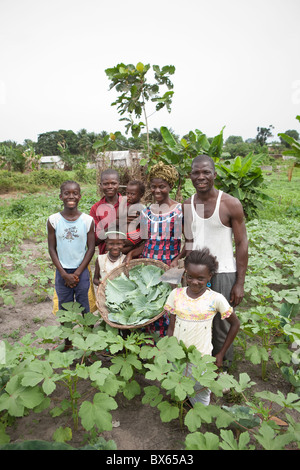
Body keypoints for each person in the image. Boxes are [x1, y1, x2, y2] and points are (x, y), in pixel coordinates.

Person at [181, 154, 248, 367]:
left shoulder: (230, 204)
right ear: (190, 176)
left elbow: (242, 243)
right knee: (197, 322)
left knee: (222, 325)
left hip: (224, 273)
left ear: (214, 175)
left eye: (206, 172)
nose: (201, 177)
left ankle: (222, 370)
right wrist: (179, 265)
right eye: (196, 173)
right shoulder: (187, 205)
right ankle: (198, 369)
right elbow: (190, 240)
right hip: (196, 275)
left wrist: (239, 282)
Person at [166, 249, 240, 405]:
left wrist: (220, 354)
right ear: (185, 273)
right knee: (179, 388)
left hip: (201, 358)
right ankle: (183, 407)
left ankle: (197, 414)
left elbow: (235, 324)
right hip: (178, 356)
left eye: (201, 278)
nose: (194, 282)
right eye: (190, 277)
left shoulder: (215, 299)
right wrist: (169, 349)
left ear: (209, 277)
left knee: (201, 393)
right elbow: (171, 327)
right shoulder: (176, 295)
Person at [126, 162, 183, 337]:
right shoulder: (146, 213)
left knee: (169, 305)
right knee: (149, 303)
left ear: (170, 186)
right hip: (148, 265)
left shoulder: (180, 211)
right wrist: (130, 254)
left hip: (170, 264)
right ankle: (148, 346)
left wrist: (178, 259)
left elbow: (189, 242)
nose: (157, 191)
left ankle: (167, 346)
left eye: (162, 187)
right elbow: (145, 242)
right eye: (153, 187)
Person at [47, 181, 95, 347]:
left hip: (81, 271)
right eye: (67, 193)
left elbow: (91, 248)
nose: (71, 197)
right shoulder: (53, 220)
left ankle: (87, 343)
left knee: (85, 308)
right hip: (62, 273)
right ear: (61, 196)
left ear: (80, 196)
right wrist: (63, 274)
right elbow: (52, 249)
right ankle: (67, 342)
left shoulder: (87, 220)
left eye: (75, 193)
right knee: (65, 309)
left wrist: (78, 272)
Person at [89, 169, 123, 255]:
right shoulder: (95, 209)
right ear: (100, 185)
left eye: (113, 183)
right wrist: (113, 225)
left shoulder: (128, 204)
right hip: (105, 257)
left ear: (118, 184)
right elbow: (95, 241)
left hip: (127, 257)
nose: (110, 186)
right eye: (106, 184)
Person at [122, 180, 145, 255]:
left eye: (132, 194)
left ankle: (131, 251)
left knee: (124, 244)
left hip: (134, 234)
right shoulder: (127, 205)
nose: (129, 196)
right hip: (127, 233)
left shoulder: (140, 208)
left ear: (141, 195)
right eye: (127, 193)